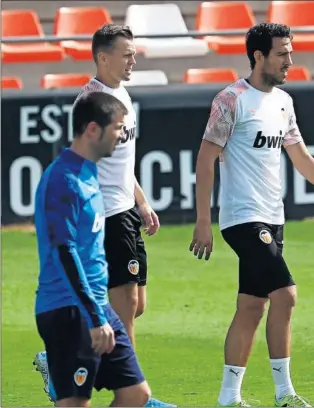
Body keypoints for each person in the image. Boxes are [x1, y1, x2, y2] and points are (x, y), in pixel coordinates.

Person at [33, 24, 175, 408]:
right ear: (103, 57)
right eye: (126, 54)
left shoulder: (120, 95)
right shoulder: (92, 102)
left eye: (133, 53)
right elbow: (87, 162)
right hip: (106, 214)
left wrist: (141, 201)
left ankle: (57, 360)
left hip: (125, 209)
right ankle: (130, 391)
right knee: (125, 303)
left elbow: (123, 162)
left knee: (136, 303)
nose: (133, 60)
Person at [189, 23, 314, 408]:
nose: (290, 61)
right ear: (258, 56)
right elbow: (207, 156)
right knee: (287, 295)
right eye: (282, 54)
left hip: (272, 218)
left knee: (252, 306)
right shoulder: (231, 99)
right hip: (243, 218)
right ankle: (285, 394)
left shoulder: (283, 102)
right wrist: (203, 221)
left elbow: (302, 161)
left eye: (291, 53)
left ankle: (229, 398)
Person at [34, 91, 152, 407]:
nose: (122, 137)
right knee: (75, 404)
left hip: (97, 307)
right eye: (117, 129)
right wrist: (94, 316)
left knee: (136, 394)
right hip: (69, 310)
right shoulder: (63, 180)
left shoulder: (90, 171)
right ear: (92, 130)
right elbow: (64, 252)